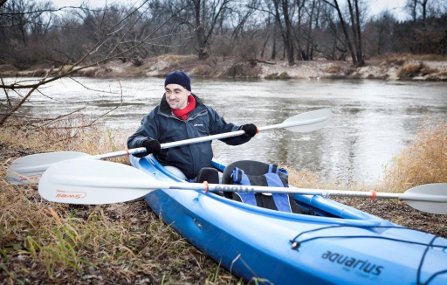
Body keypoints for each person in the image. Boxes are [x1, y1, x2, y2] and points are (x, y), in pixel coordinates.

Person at [127, 70, 257, 181]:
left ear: (188, 92)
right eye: (168, 91)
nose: (171, 96)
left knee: (223, 182)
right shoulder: (156, 116)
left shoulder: (205, 112)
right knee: (176, 177)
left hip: (203, 170)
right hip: (174, 171)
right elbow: (134, 140)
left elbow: (227, 132)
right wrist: (145, 143)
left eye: (177, 91)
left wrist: (244, 132)